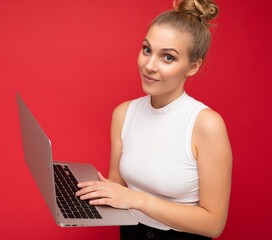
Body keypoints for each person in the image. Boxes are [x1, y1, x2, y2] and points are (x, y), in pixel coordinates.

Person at [75, 0, 232, 239]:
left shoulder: (206, 124)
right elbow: (119, 187)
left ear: (192, 67)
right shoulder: (123, 113)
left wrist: (138, 199)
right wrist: (84, 190)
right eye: (147, 50)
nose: (149, 66)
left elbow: (213, 224)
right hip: (130, 233)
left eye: (167, 57)